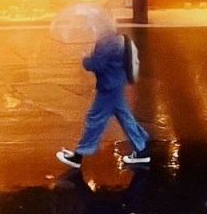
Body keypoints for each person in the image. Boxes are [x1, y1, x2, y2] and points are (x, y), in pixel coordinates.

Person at [56, 29, 149, 169]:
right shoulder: (114, 39)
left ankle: (78, 156)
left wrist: (85, 59)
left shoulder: (105, 42)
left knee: (94, 120)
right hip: (116, 84)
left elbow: (97, 65)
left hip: (108, 87)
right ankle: (141, 149)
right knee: (125, 117)